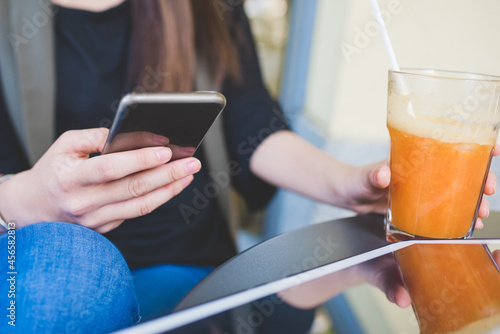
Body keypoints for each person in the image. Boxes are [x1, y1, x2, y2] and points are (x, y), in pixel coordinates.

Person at [0, 0, 497, 333]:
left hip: (202, 276)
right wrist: (23, 200)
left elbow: (252, 123)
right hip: (44, 262)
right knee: (73, 266)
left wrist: (347, 185)